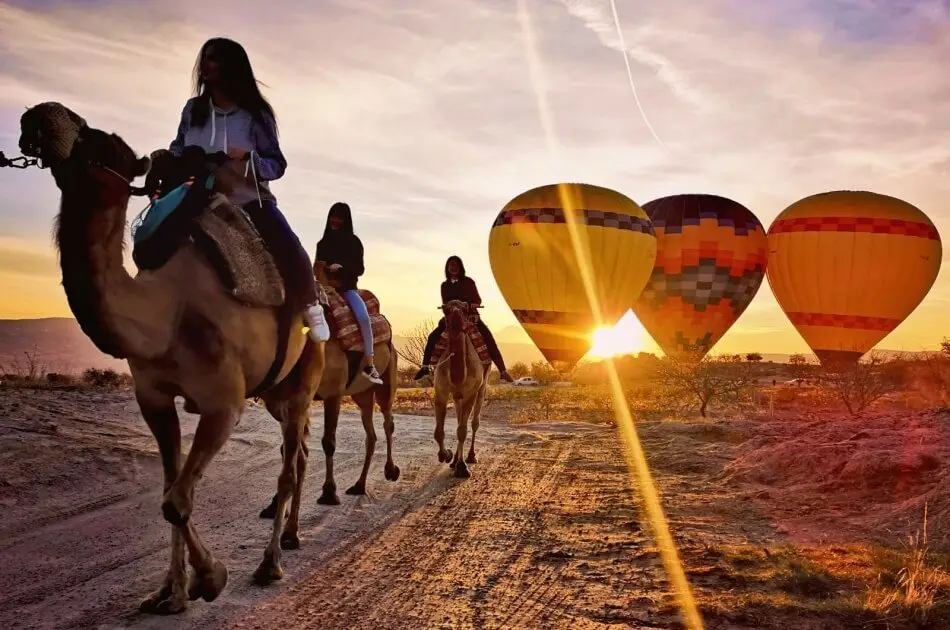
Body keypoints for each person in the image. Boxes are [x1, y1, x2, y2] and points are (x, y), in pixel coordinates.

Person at [159, 37, 329, 343]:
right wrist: (168, 161)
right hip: (197, 197)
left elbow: (277, 164)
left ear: (231, 68)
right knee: (155, 236)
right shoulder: (193, 109)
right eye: (205, 58)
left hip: (249, 201)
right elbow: (178, 147)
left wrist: (249, 159)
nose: (205, 65)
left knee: (288, 244)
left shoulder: (256, 115)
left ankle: (311, 306)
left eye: (214, 59)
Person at [413, 256, 513, 383]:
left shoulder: (469, 282)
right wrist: (448, 307)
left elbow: (478, 300)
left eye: (455, 265)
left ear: (460, 267)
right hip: (451, 317)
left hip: (470, 316)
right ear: (447, 268)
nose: (453, 268)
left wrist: (468, 305)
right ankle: (425, 367)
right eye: (450, 265)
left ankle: (502, 371)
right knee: (432, 336)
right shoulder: (444, 285)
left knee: (488, 337)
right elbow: (445, 303)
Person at [316, 202, 383, 385]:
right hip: (323, 289)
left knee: (362, 317)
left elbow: (359, 269)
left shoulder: (354, 242)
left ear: (346, 221)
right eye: (333, 216)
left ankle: (369, 363)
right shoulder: (322, 244)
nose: (335, 221)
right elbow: (317, 268)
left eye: (339, 218)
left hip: (347, 290)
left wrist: (342, 269)